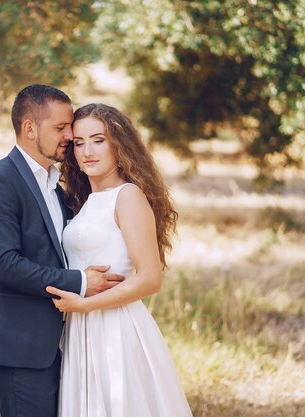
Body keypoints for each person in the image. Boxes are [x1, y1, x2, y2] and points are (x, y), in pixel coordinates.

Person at [0, 85, 125, 417]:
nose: (70, 134)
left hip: (62, 341)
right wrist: (80, 282)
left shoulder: (56, 183)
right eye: (61, 127)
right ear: (30, 129)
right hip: (19, 343)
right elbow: (4, 264)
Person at [46, 103, 194, 416]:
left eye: (98, 140)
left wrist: (84, 305)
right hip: (79, 329)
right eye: (79, 143)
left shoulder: (127, 196)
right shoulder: (85, 202)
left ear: (118, 144)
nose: (88, 151)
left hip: (114, 327)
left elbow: (150, 279)